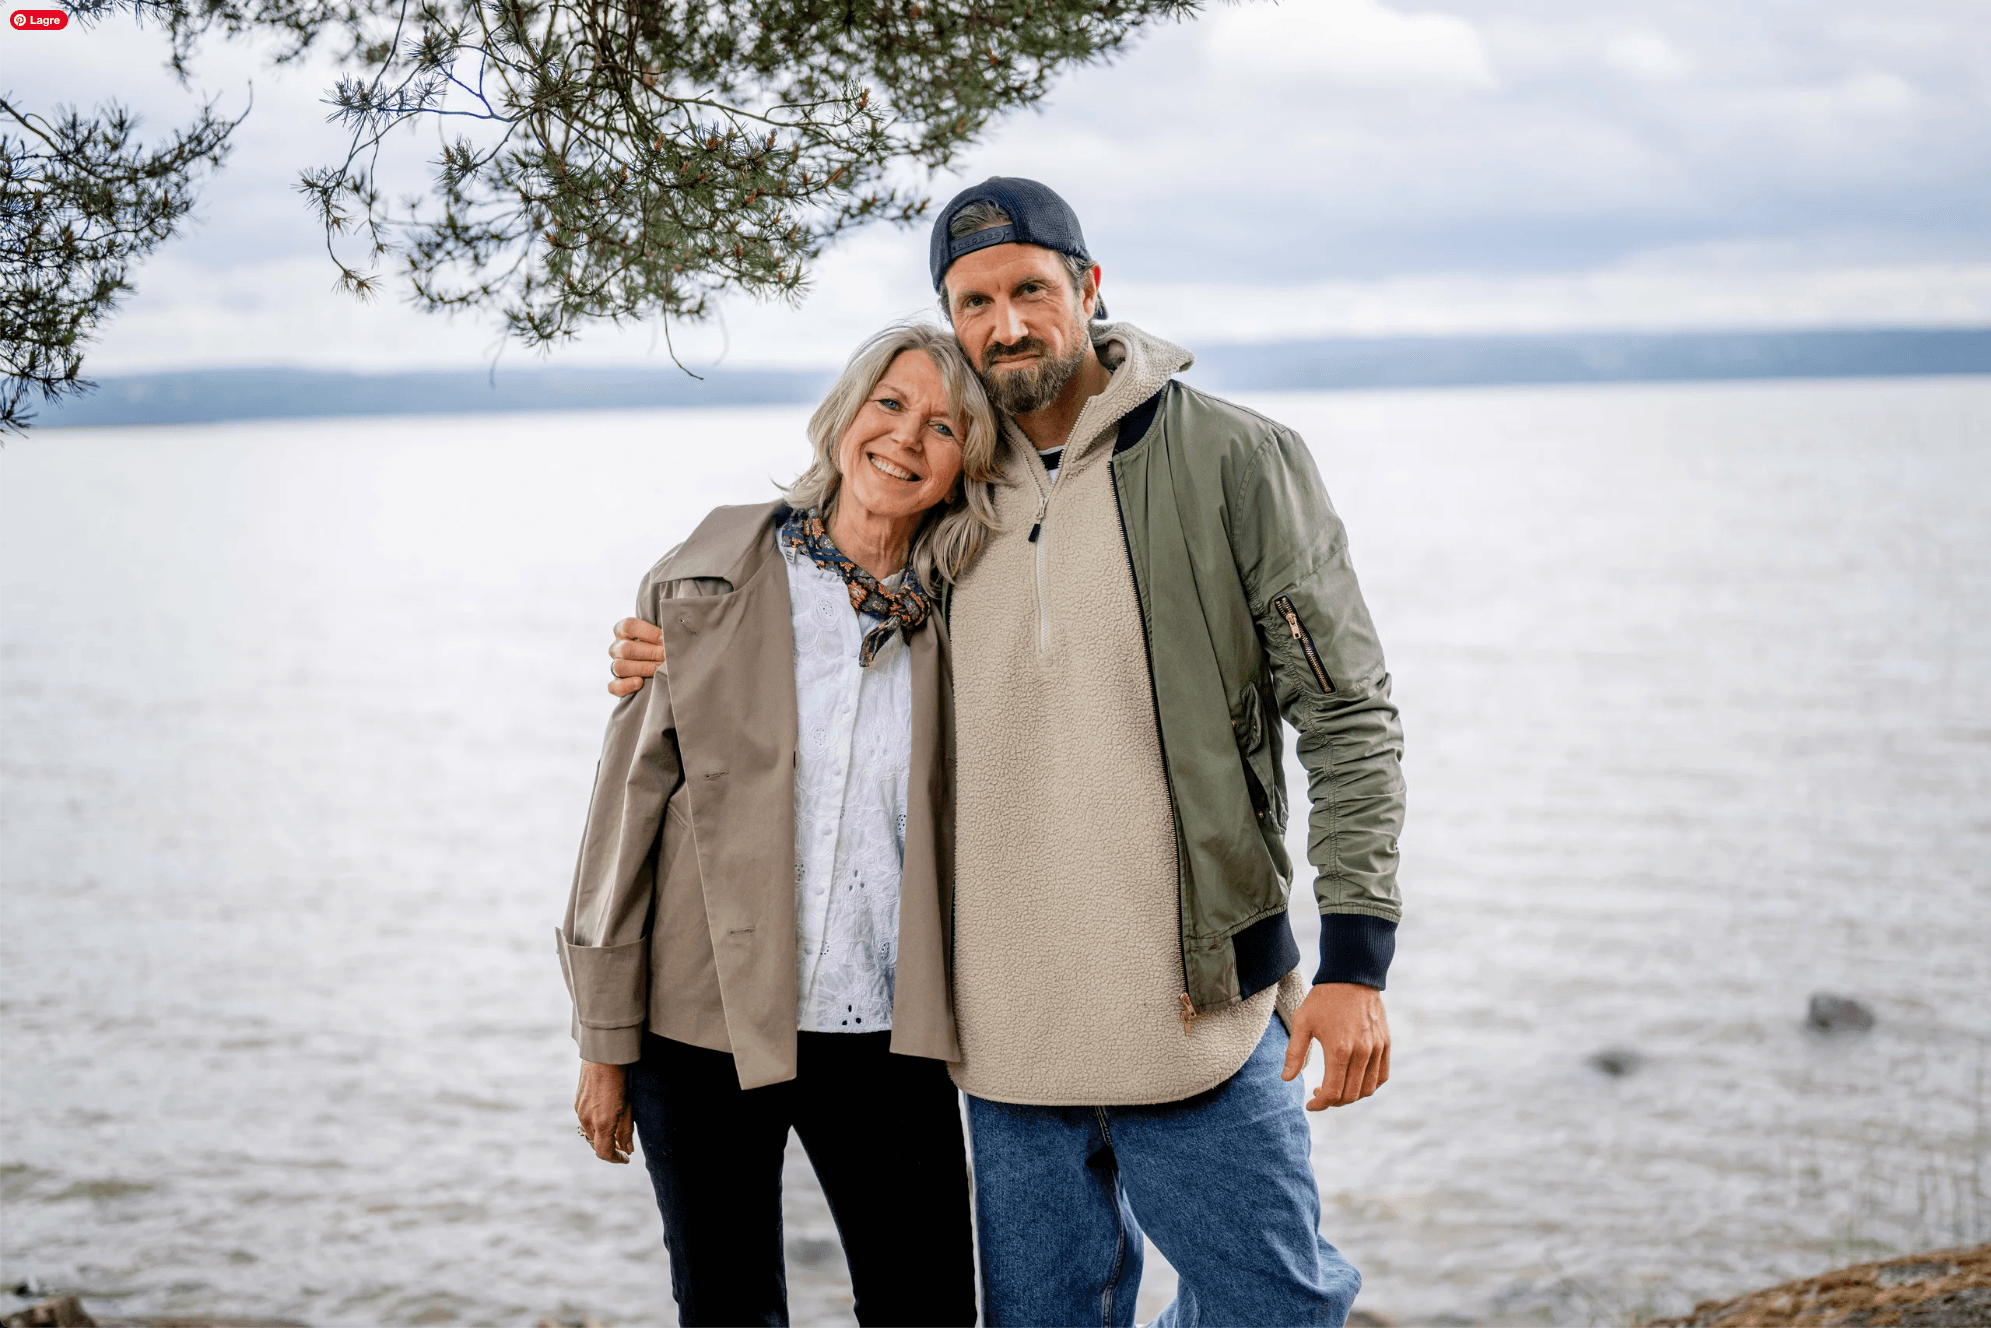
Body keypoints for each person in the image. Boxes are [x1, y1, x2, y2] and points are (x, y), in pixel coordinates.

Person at [607, 178, 1406, 1328]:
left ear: (1087, 287)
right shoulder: (952, 494)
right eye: (972, 299)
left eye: (1030, 288)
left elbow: (1347, 714)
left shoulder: (1234, 458)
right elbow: (812, 588)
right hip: (999, 1038)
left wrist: (1354, 961)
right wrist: (671, 638)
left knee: (1276, 1304)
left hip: (1192, 1003)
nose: (1006, 323)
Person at [559, 322, 1001, 1327]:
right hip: (697, 1019)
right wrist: (602, 1038)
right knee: (725, 1306)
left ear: (966, 460)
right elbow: (624, 815)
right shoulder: (706, 578)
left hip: (885, 1028)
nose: (904, 437)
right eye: (888, 403)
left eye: (942, 424)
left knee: (928, 1301)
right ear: (844, 415)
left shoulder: (967, 607)